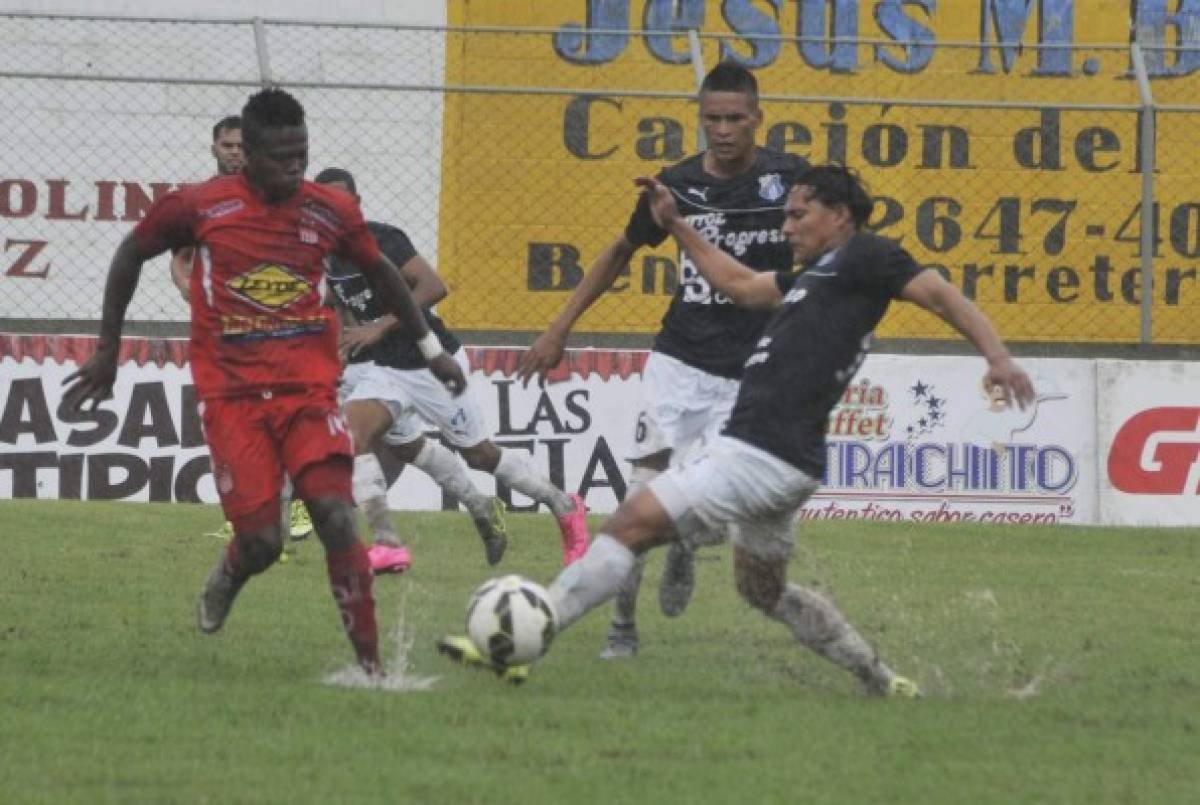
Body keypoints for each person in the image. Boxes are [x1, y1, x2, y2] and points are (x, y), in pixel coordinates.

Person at [441, 164, 1036, 693]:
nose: (787, 228)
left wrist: (999, 357)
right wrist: (676, 224)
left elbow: (937, 293)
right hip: (783, 460)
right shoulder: (811, 278)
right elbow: (737, 284)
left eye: (800, 215)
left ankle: (523, 639)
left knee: (628, 524)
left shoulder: (865, 257)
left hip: (756, 452)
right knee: (762, 591)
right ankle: (879, 677)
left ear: (841, 216)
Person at [63, 87, 467, 676]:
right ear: (246, 155)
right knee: (263, 543)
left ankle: (372, 669)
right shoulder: (199, 206)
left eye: (302, 154)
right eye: (282, 158)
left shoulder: (328, 208)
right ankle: (231, 570)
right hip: (233, 399)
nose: (295, 168)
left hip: (309, 393)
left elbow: (381, 269)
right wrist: (107, 348)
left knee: (333, 513)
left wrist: (431, 349)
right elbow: (130, 253)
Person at [516, 61, 809, 659]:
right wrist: (558, 327)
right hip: (681, 361)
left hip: (753, 374)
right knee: (637, 494)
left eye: (735, 118)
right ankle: (622, 630)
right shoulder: (676, 188)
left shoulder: (790, 180)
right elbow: (618, 252)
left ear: (758, 118)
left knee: (721, 504)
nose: (723, 130)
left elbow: (828, 245)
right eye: (712, 119)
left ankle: (681, 547)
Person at [313, 167, 590, 574]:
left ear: (356, 204)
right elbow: (340, 309)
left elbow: (432, 287)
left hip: (432, 362)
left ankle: (564, 506)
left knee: (481, 456)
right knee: (353, 434)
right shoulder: (325, 255)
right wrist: (337, 355)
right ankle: (386, 542)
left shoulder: (384, 238)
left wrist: (380, 326)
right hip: (385, 370)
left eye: (341, 203)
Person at [173, 115, 314, 546]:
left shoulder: (275, 196)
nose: (234, 151)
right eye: (226, 145)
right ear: (214, 149)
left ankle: (301, 502)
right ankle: (243, 518)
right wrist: (192, 295)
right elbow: (180, 260)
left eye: (240, 145)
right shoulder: (197, 202)